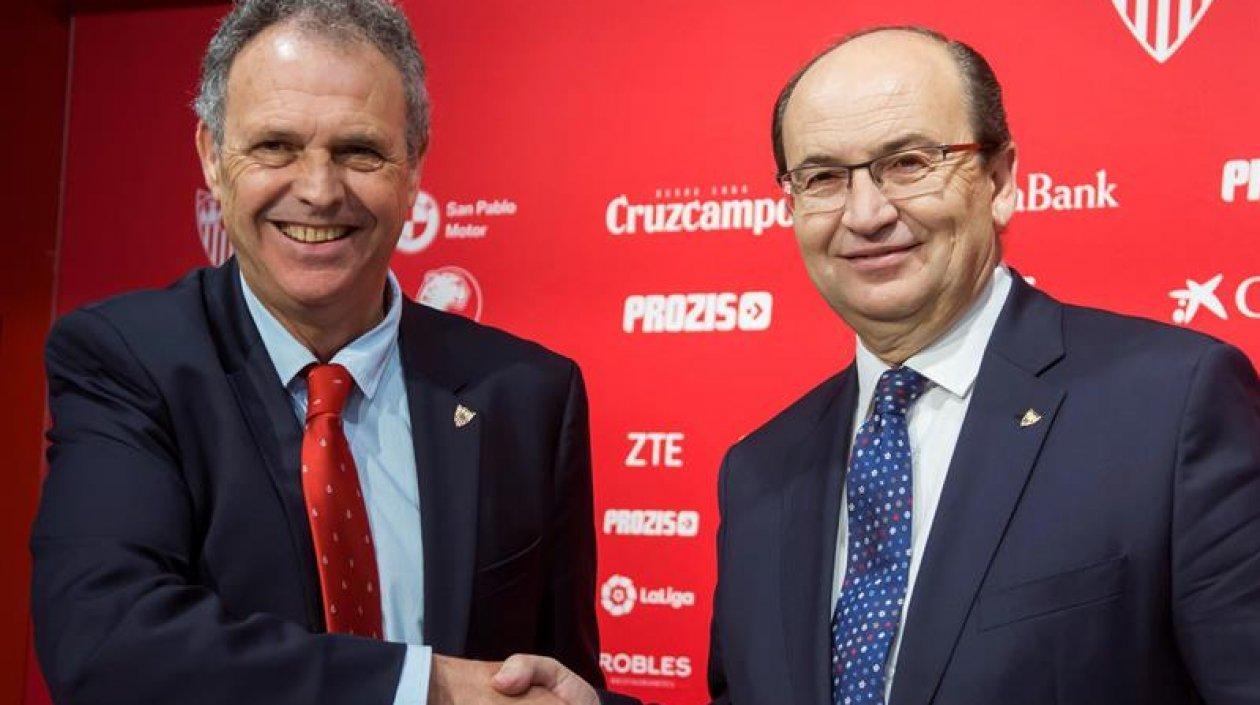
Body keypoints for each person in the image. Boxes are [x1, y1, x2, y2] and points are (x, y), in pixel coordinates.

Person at [492, 25, 1260, 705]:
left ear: (999, 179)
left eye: (908, 161)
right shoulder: (761, 470)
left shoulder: (1172, 405)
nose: (865, 213)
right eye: (823, 177)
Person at [30, 1, 615, 703]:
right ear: (212, 160)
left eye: (359, 151)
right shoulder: (126, 362)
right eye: (275, 145)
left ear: (413, 171)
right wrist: (421, 686)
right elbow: (107, 643)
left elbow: (558, 683)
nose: (317, 189)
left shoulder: (528, 395)